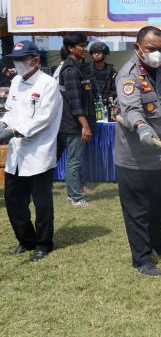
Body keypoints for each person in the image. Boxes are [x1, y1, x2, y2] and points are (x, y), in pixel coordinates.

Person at [115, 26, 161, 277]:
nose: (157, 54)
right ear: (138, 48)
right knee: (137, 211)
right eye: (151, 49)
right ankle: (142, 259)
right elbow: (131, 109)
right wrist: (142, 128)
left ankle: (158, 243)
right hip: (133, 157)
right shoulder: (128, 75)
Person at [0, 40, 63, 261]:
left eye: (21, 59)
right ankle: (26, 240)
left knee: (41, 202)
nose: (17, 64)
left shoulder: (48, 84)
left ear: (35, 60)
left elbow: (44, 118)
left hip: (39, 152)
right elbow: (10, 110)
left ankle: (43, 244)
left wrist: (14, 132)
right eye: (14, 60)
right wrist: (4, 125)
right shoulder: (16, 81)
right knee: (13, 198)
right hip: (16, 153)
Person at [58, 32, 96, 207]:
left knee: (76, 159)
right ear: (70, 48)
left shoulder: (79, 67)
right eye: (81, 46)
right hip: (73, 124)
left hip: (77, 122)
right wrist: (84, 126)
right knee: (74, 161)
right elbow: (75, 102)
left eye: (85, 44)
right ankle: (75, 197)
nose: (84, 49)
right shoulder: (71, 71)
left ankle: (76, 190)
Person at [88, 42, 117, 113]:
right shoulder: (86, 70)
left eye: (99, 52)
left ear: (105, 54)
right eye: (94, 52)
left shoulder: (111, 72)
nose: (96, 54)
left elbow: (115, 90)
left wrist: (106, 99)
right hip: (90, 105)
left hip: (107, 106)